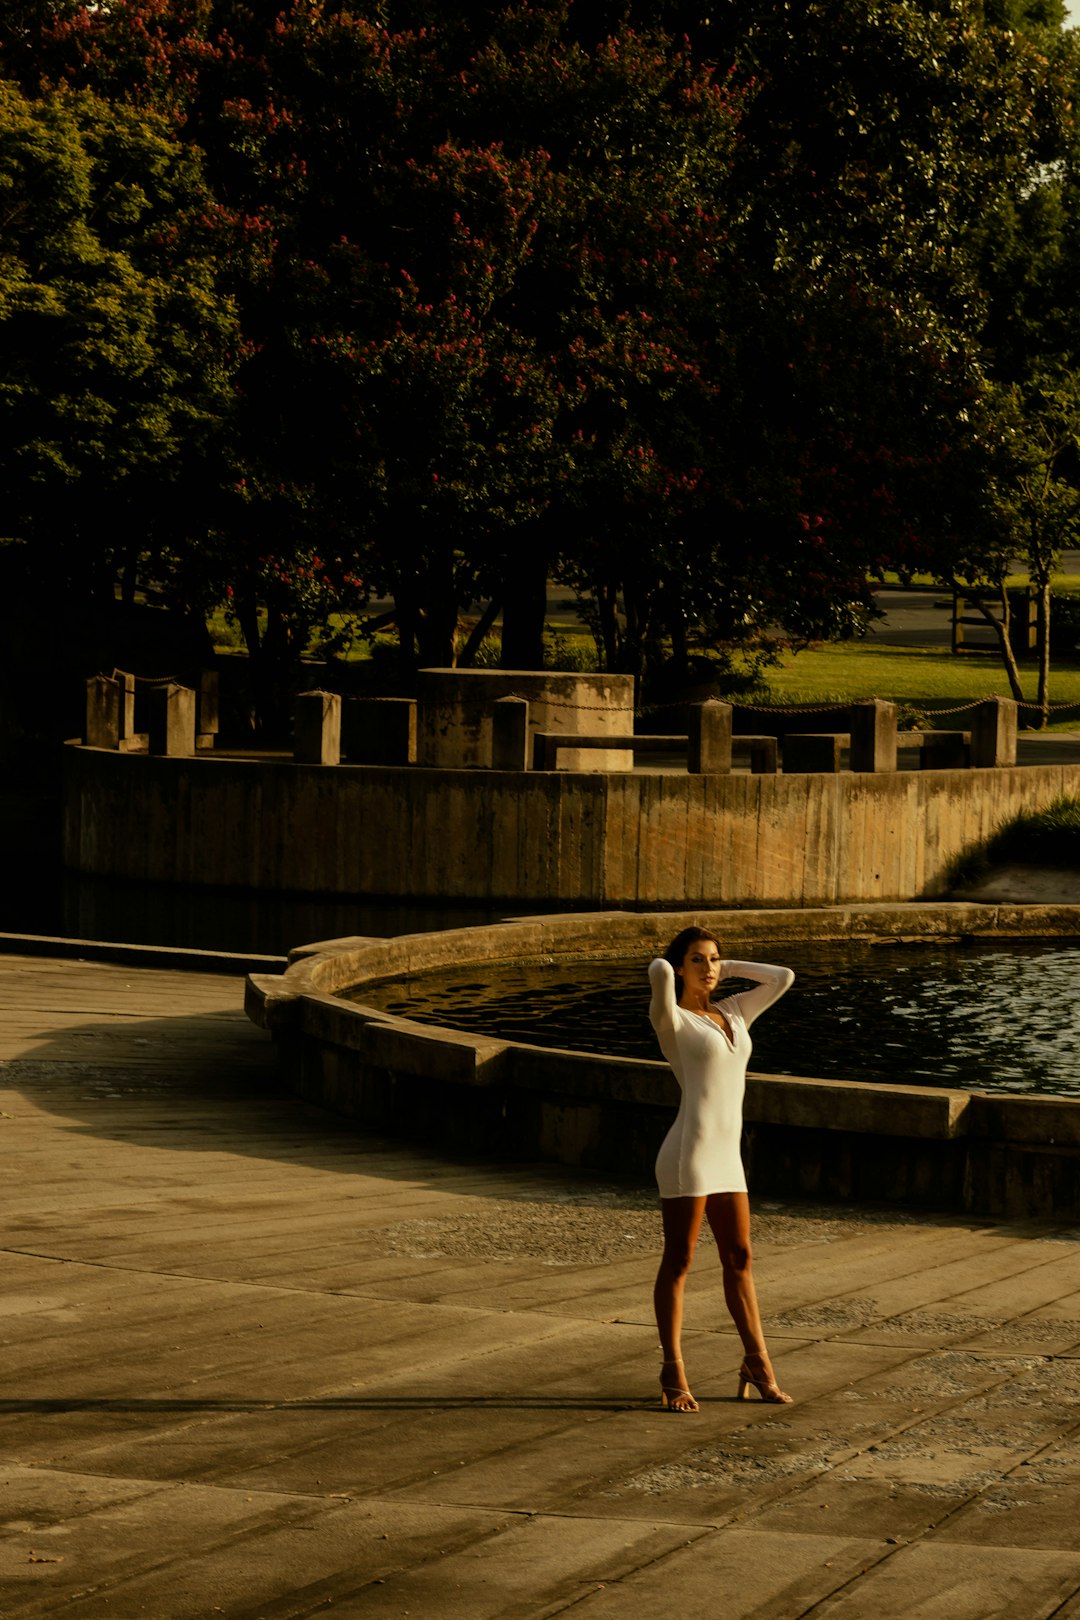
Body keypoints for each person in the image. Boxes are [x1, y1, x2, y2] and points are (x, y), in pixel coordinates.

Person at [648, 926, 794, 1412]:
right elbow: (657, 970)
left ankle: (758, 1363)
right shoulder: (671, 1019)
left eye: (714, 960)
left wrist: (726, 969)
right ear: (680, 967)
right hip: (688, 1154)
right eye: (698, 960)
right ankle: (673, 1373)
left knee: (741, 1259)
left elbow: (782, 977)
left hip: (727, 1157)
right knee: (681, 1261)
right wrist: (676, 968)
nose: (709, 968)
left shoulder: (733, 1012)